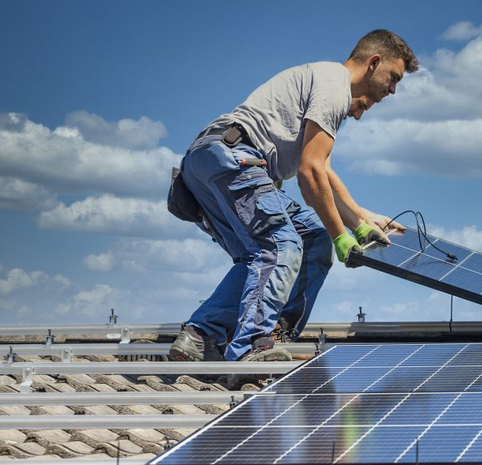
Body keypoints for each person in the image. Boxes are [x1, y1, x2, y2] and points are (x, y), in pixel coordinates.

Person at [167, 30, 417, 379]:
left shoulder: (323, 83)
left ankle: (200, 337)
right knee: (282, 244)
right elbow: (309, 173)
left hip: (210, 162)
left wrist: (362, 218)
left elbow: (323, 172)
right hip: (235, 158)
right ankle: (254, 345)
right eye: (393, 79)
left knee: (306, 240)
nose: (393, 90)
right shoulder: (335, 84)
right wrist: (343, 236)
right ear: (374, 63)